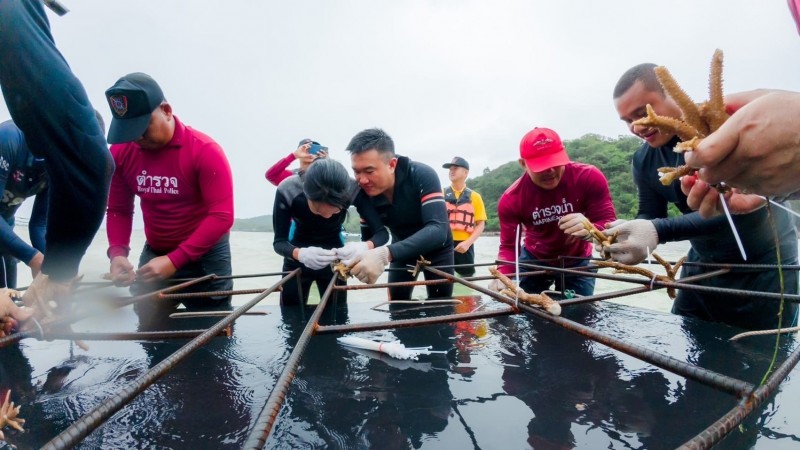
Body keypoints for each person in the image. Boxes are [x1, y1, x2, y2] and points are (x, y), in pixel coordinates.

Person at [611, 63, 799, 330]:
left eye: (643, 113)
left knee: (760, 356)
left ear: (674, 96)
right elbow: (650, 214)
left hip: (767, 266)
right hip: (702, 264)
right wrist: (625, 232)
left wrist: (656, 230)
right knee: (685, 344)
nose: (637, 126)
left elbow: (728, 211)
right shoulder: (644, 160)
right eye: (628, 121)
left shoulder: (724, 127)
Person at [0, 1, 114, 324]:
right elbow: (94, 165)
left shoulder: (54, 164)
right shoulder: (10, 140)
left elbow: (40, 225)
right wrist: (47, 264)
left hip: (5, 231)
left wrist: (49, 268)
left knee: (11, 316)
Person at [104, 72, 235, 318]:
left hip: (206, 253)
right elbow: (119, 209)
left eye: (143, 128)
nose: (137, 138)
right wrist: (118, 253)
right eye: (129, 131)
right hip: (156, 251)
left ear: (166, 110)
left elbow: (222, 216)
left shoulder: (205, 151)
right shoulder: (121, 152)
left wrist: (175, 260)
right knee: (149, 327)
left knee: (212, 330)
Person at [490, 127, 616, 297]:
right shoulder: (511, 198)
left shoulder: (589, 177)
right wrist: (503, 273)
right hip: (534, 259)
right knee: (527, 311)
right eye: (541, 166)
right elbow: (508, 246)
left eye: (554, 163)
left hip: (578, 259)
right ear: (523, 164)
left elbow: (608, 222)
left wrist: (590, 228)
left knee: (579, 314)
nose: (550, 171)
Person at [344, 128, 454, 300]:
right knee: (397, 304)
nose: (362, 180)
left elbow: (438, 229)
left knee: (441, 305)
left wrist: (385, 254)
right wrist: (358, 253)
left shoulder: (422, 175)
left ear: (392, 165)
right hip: (401, 250)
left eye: (369, 171)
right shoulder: (363, 193)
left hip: (437, 248)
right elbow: (373, 235)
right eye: (356, 171)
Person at [273, 157, 389, 306]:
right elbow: (279, 243)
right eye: (319, 212)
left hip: (336, 260)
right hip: (297, 258)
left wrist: (362, 247)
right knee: (290, 317)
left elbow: (382, 234)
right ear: (307, 195)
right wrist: (301, 254)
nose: (327, 216)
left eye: (335, 211)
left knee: (337, 318)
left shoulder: (353, 189)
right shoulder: (288, 189)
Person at [0, 120, 48, 289]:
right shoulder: (8, 137)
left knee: (11, 304)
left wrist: (48, 266)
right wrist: (32, 257)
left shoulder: (60, 161)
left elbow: (39, 224)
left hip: (5, 223)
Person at [441, 157, 487, 278]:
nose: (451, 171)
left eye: (455, 168)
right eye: (450, 169)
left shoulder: (475, 197)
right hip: (443, 244)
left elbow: (481, 224)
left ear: (465, 173)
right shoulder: (441, 194)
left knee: (467, 280)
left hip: (465, 245)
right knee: (442, 279)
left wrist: (467, 243)